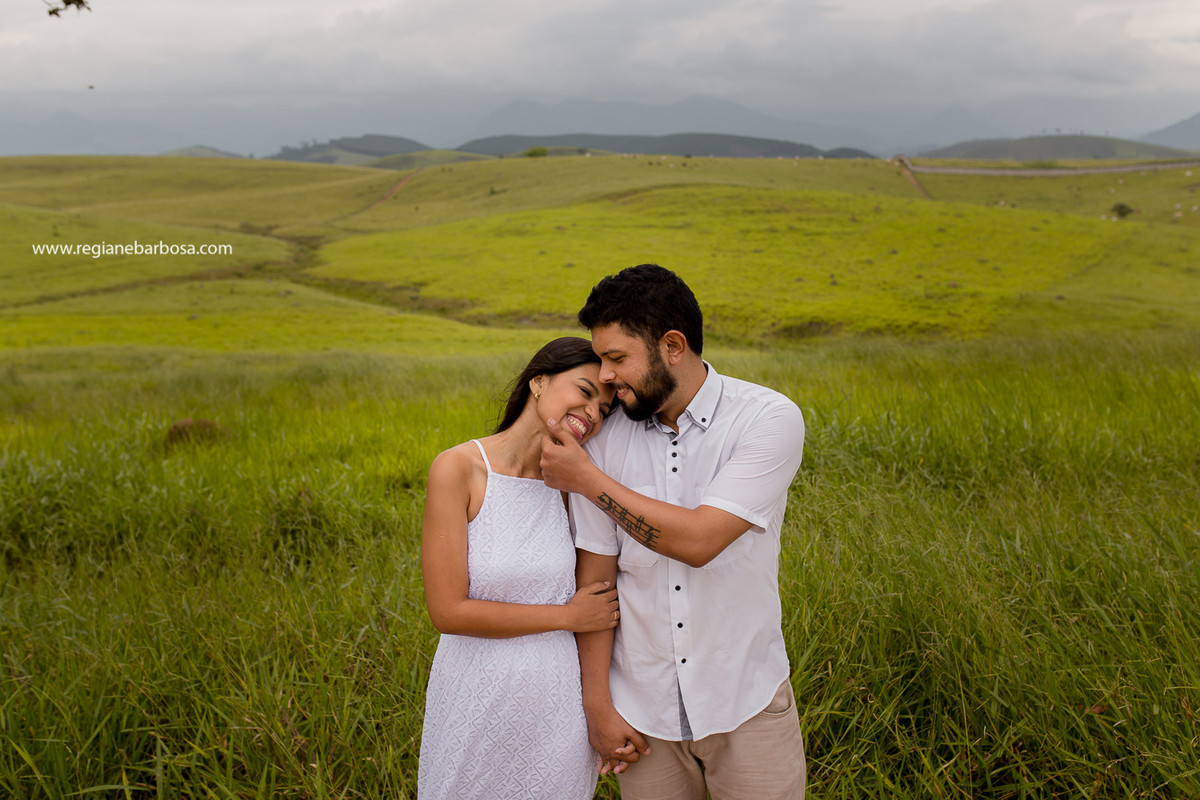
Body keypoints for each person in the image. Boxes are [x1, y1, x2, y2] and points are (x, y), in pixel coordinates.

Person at [540, 264, 807, 800]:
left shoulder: (767, 419)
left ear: (673, 345)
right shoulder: (605, 439)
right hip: (642, 715)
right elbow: (597, 582)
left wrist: (588, 481)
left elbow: (699, 541)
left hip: (748, 702)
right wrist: (598, 704)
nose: (607, 376)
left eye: (617, 358)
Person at [417, 337, 619, 800]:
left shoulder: (575, 485)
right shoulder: (459, 469)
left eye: (604, 409)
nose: (592, 412)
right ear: (539, 381)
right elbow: (448, 611)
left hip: (557, 706)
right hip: (474, 695)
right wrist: (565, 616)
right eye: (585, 391)